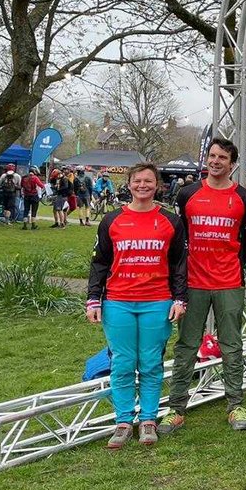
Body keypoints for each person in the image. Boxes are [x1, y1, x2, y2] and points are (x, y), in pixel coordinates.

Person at [86, 162, 188, 450]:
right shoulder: (111, 220)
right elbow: (100, 262)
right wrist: (94, 298)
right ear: (128, 184)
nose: (143, 185)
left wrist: (180, 298)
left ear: (157, 185)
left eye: (148, 181)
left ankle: (148, 419)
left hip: (157, 301)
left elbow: (180, 263)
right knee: (122, 363)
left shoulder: (171, 221)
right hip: (118, 302)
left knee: (151, 362)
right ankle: (122, 421)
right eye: (137, 181)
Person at [159, 138, 246, 435]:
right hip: (193, 282)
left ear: (232, 163)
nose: (216, 161)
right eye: (212, 156)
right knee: (187, 345)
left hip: (228, 281)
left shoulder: (244, 197)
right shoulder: (188, 194)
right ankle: (176, 409)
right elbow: (180, 240)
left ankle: (236, 405)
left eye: (222, 157)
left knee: (232, 345)